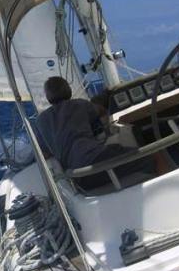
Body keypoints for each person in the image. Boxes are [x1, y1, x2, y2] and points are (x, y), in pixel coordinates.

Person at [35, 77, 165, 190]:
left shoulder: (41, 121)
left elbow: (44, 152)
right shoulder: (80, 104)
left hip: (79, 177)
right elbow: (101, 111)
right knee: (154, 155)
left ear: (48, 97)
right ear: (68, 90)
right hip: (98, 160)